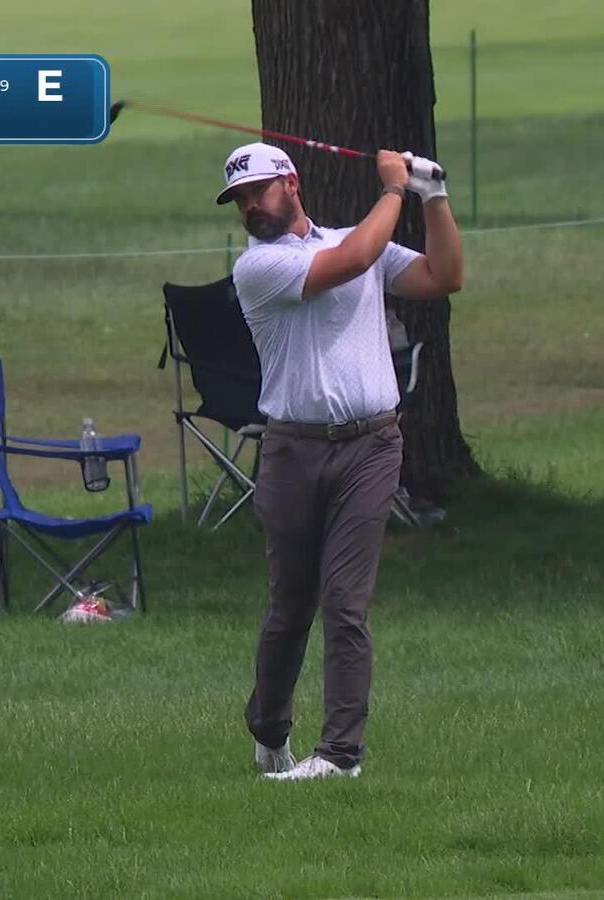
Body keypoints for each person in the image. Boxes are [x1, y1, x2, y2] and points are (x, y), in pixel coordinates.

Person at [217, 140, 463, 781]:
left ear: (292, 183)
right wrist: (392, 189)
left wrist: (431, 196)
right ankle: (270, 730)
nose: (250, 208)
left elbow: (444, 277)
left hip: (371, 447)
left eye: (258, 193)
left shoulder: (359, 241)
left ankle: (339, 756)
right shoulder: (259, 268)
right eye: (240, 201)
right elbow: (353, 259)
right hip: (293, 450)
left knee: (346, 604)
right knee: (289, 606)